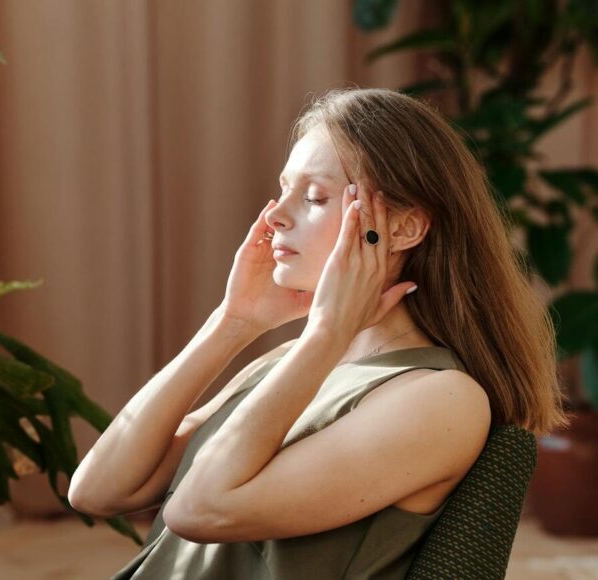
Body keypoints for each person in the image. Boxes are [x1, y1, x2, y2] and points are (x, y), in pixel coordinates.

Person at [67, 87, 570, 579]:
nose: (275, 217)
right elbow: (98, 491)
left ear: (401, 229)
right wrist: (232, 322)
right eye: (283, 189)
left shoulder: (440, 399)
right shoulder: (295, 360)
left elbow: (199, 510)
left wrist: (326, 332)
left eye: (313, 196)